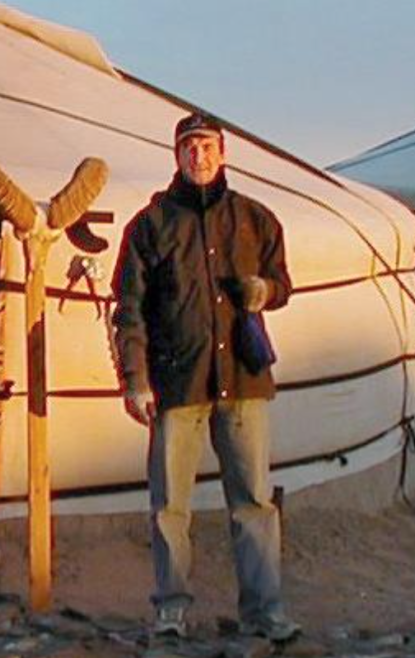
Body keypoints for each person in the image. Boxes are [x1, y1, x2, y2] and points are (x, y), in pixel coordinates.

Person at [111, 111, 300, 642]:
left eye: (208, 147)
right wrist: (135, 377)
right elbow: (129, 309)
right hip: (177, 382)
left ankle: (265, 613)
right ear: (176, 154)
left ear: (224, 153)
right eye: (189, 147)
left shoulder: (256, 220)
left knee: (254, 502)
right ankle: (170, 608)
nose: (199, 156)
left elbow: (284, 282)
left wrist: (264, 291)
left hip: (242, 379)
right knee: (170, 505)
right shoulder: (150, 226)